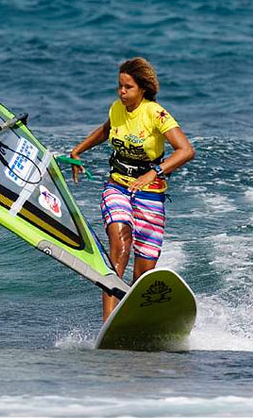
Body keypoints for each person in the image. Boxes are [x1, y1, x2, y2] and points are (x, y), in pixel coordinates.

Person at [70, 58, 195, 322]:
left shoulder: (156, 114)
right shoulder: (117, 108)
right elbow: (107, 130)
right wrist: (78, 150)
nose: (122, 92)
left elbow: (186, 151)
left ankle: (129, 320)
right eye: (119, 86)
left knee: (144, 270)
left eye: (128, 87)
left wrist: (154, 172)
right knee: (120, 243)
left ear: (143, 89)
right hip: (117, 186)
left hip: (151, 193)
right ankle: (107, 319)